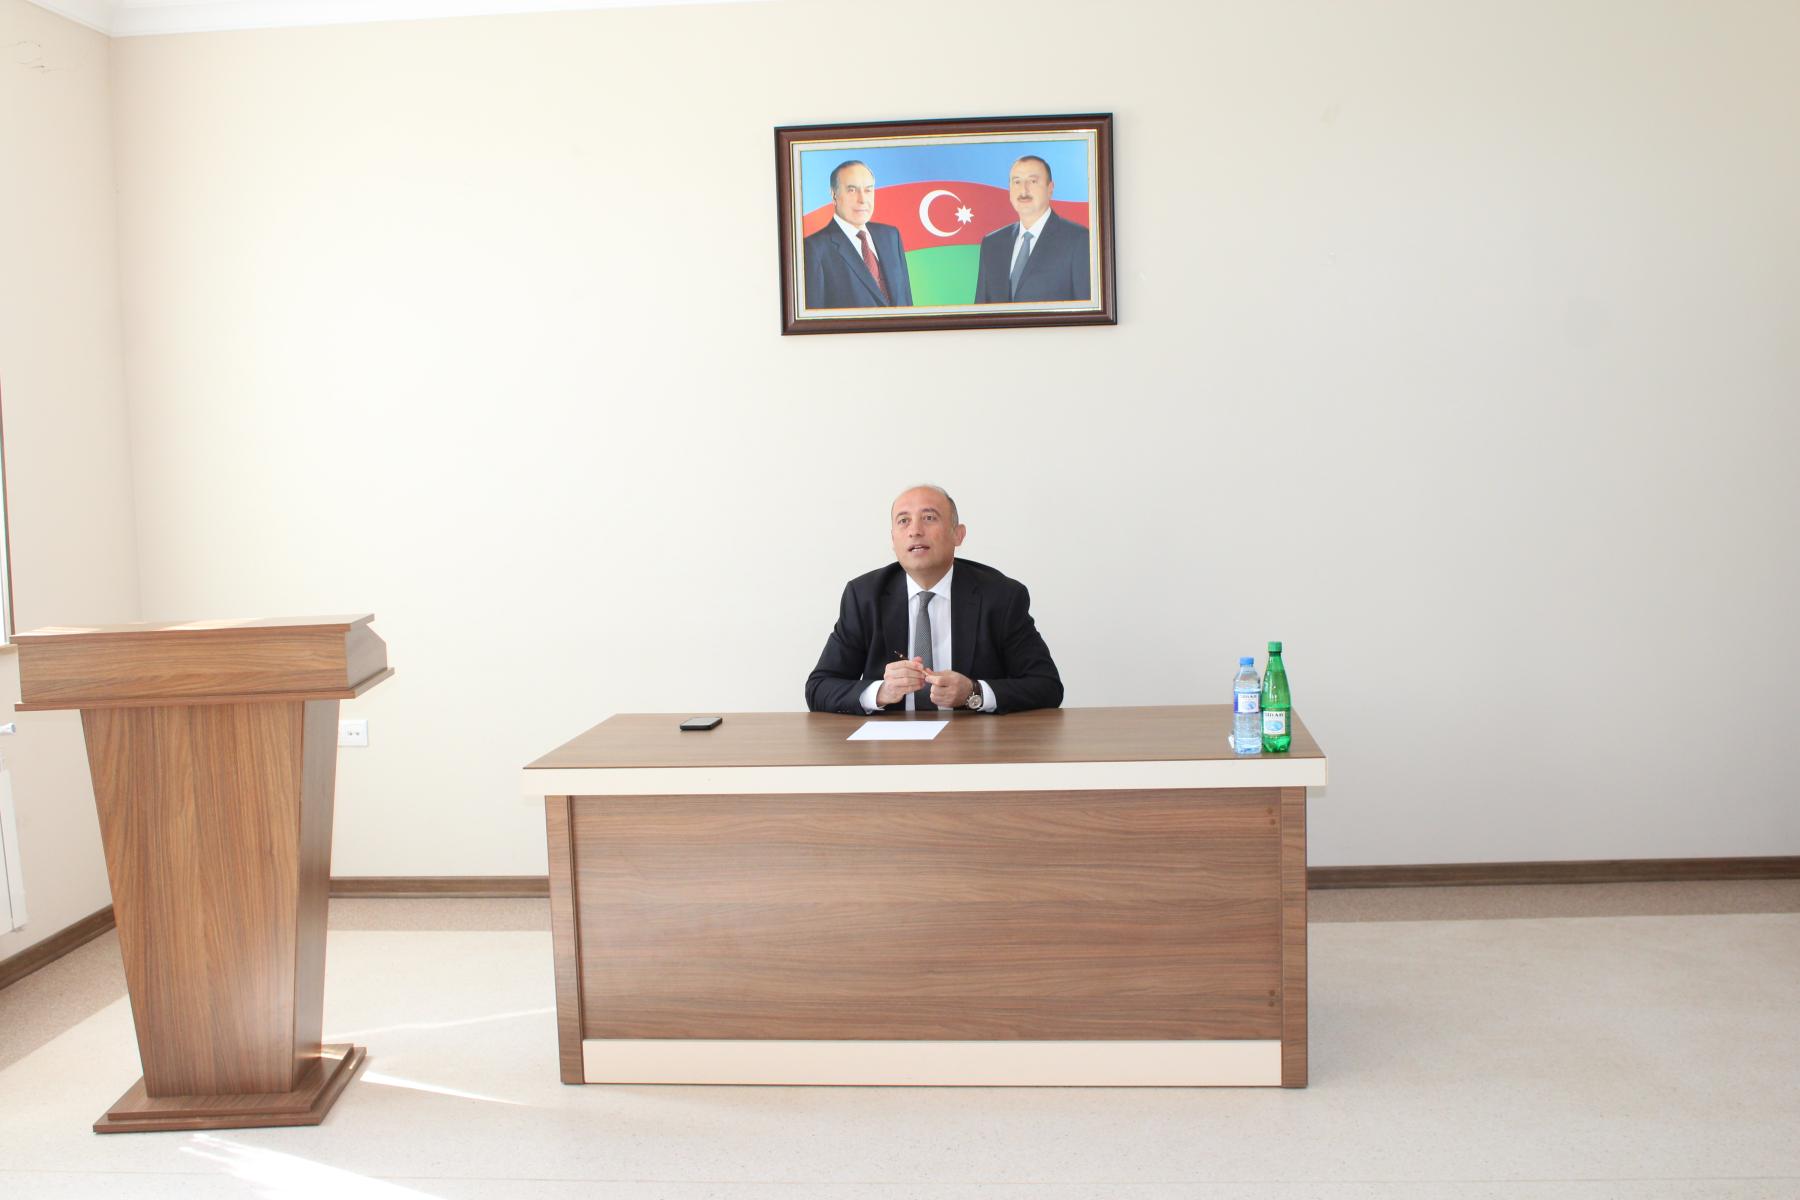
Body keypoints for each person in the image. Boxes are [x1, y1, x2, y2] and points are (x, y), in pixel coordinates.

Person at [806, 485, 1063, 715]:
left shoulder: (1001, 596)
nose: (915, 531)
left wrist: (974, 692)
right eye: (904, 521)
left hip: (973, 743)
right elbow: (819, 687)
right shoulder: (864, 596)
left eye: (929, 518)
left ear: (958, 534)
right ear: (893, 540)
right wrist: (881, 691)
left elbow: (1047, 686)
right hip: (891, 745)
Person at [972, 155, 1091, 304]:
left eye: (1033, 181)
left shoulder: (1078, 240)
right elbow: (981, 311)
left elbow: (1088, 311)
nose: (1023, 190)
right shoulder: (992, 243)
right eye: (1017, 182)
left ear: (1050, 188)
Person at [802, 160, 914, 309]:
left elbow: (907, 303)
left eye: (868, 190)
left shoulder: (891, 237)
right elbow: (814, 318)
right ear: (834, 195)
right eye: (852, 190)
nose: (862, 200)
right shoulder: (814, 249)